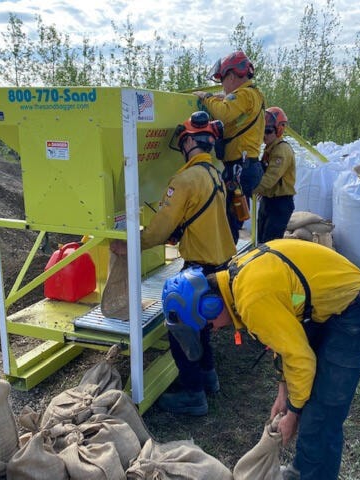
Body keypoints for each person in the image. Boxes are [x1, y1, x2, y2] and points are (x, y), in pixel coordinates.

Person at [161, 239, 360, 480]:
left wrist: (293, 413)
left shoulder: (251, 300)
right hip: (329, 307)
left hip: (356, 312)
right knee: (311, 405)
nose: (213, 330)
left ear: (211, 305)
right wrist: (283, 393)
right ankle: (302, 472)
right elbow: (283, 338)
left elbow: (301, 360)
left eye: (207, 325)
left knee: (322, 412)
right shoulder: (236, 277)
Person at [111, 111, 236, 416]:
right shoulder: (214, 173)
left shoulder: (184, 179)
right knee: (202, 325)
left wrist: (131, 245)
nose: (181, 148)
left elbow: (159, 230)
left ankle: (194, 395)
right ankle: (209, 377)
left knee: (181, 329)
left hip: (198, 267)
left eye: (183, 142)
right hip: (222, 265)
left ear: (191, 141)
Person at [193, 50, 266, 243]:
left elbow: (224, 113)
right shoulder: (254, 94)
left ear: (232, 76)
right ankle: (227, 258)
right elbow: (233, 114)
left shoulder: (243, 94)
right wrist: (222, 97)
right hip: (246, 165)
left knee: (229, 221)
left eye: (223, 80)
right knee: (233, 218)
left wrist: (206, 97)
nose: (223, 86)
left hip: (239, 168)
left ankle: (225, 264)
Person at [254, 106, 296, 243]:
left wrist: (249, 189)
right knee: (261, 240)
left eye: (268, 131)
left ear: (279, 129)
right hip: (268, 200)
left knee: (270, 243)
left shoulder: (281, 150)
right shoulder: (270, 149)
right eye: (262, 131)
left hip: (279, 204)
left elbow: (269, 179)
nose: (264, 135)